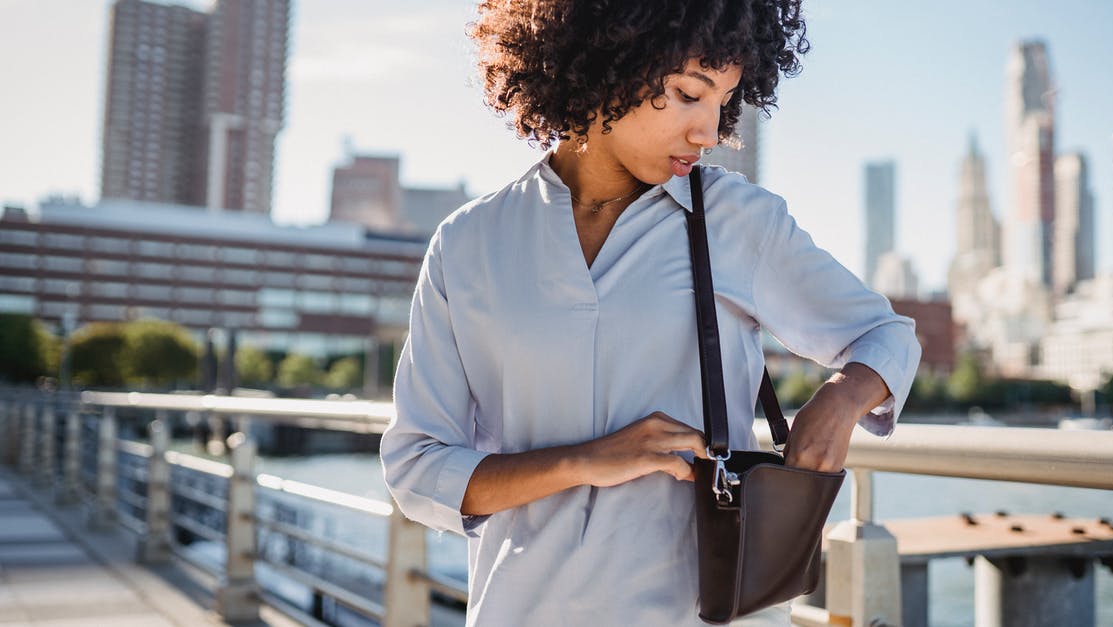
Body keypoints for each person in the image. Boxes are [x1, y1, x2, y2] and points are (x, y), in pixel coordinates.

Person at [379, 1, 921, 624]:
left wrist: (840, 401)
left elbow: (887, 336)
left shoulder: (736, 220)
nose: (709, 131)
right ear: (605, 59)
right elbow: (417, 467)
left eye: (724, 101)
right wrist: (584, 460)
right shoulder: (468, 242)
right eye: (689, 93)